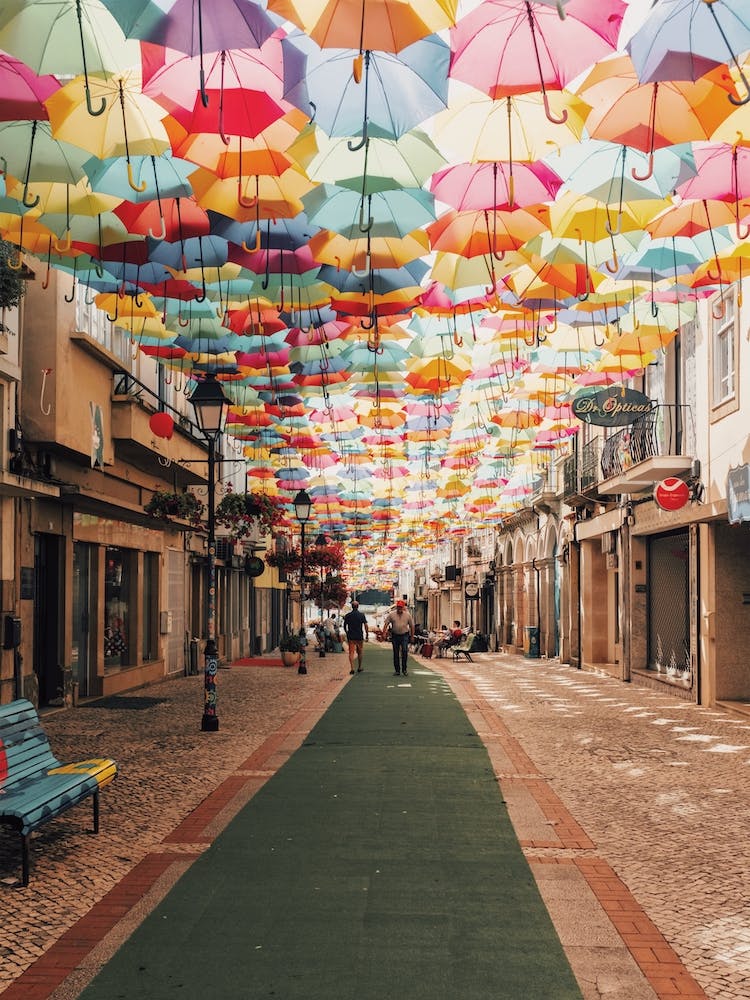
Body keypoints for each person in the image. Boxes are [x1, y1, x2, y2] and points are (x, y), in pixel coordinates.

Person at [383, 600, 414, 676]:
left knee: (404, 650)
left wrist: (412, 636)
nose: (399, 609)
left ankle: (404, 669)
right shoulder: (392, 615)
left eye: (400, 607)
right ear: (396, 607)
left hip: (404, 635)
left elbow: (412, 626)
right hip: (395, 635)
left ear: (403, 607)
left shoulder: (407, 615)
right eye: (398, 607)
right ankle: (397, 670)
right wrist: (384, 633)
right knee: (396, 653)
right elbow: (386, 624)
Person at [343, 601, 369, 674]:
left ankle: (352, 668)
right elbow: (365, 625)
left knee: (351, 652)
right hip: (359, 635)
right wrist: (367, 634)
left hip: (351, 636)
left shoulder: (348, 615)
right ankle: (359, 667)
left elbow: (345, 626)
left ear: (352, 606)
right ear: (358, 606)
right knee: (360, 652)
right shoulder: (361, 615)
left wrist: (346, 632)